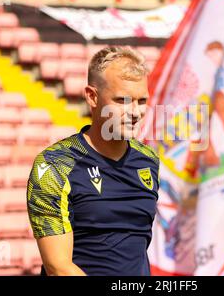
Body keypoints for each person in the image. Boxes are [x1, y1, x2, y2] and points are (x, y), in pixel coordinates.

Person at [27, 46, 160, 276]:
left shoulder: (149, 161)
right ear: (92, 96)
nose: (135, 112)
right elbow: (58, 267)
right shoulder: (53, 165)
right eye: (123, 100)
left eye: (141, 101)